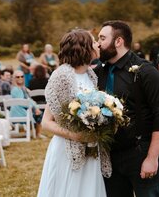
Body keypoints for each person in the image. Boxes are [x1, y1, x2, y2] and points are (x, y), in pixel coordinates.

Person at [95, 21, 159, 197]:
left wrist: (152, 158)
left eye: (102, 38)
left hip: (140, 152)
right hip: (111, 155)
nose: (98, 43)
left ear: (118, 41)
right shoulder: (100, 72)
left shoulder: (146, 71)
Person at [38, 29, 107, 197]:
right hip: (67, 149)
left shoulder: (91, 76)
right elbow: (46, 121)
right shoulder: (62, 76)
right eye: (93, 42)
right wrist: (74, 136)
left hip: (91, 147)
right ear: (83, 47)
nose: (98, 44)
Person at [10, 70, 44, 139]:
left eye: (22, 76)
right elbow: (22, 103)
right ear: (14, 78)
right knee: (39, 114)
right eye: (17, 77)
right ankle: (38, 134)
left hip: (24, 109)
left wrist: (34, 107)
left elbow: (29, 100)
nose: (20, 78)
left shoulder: (23, 88)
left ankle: (37, 133)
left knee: (39, 112)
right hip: (18, 112)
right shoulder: (15, 89)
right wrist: (34, 108)